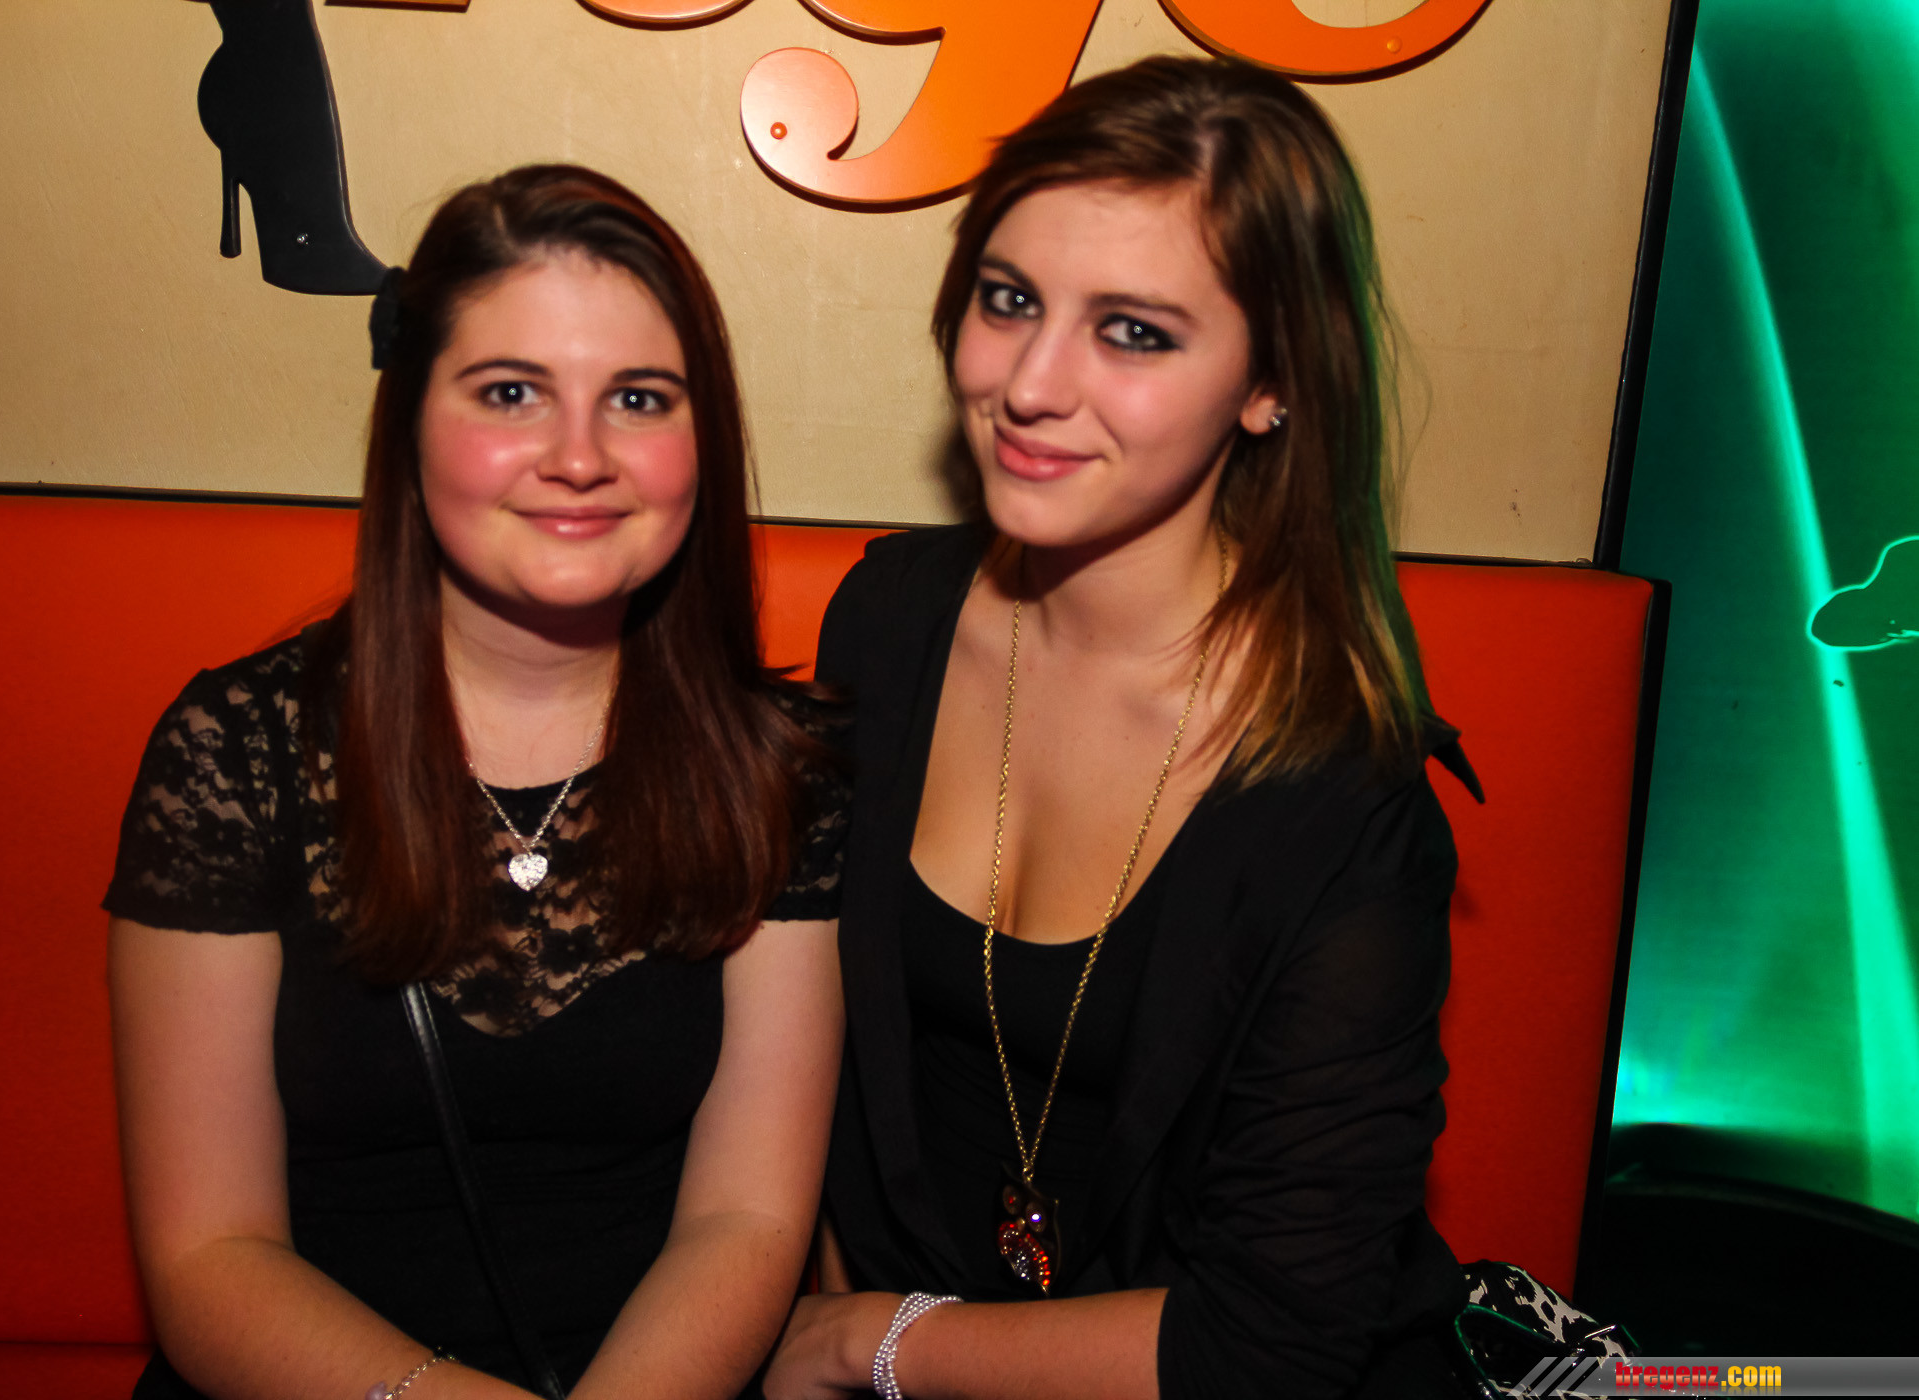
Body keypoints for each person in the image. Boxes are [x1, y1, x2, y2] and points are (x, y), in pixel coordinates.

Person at [767, 56, 1485, 1400]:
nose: (1032, 384)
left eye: (1135, 332)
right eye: (1011, 300)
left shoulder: (1342, 801)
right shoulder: (891, 620)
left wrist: (871, 1342)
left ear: (1271, 383)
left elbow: (1270, 1345)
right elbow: (816, 1063)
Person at [106, 165, 846, 1400]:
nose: (579, 455)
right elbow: (210, 1254)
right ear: (410, 423)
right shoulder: (234, 751)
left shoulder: (779, 766)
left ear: (701, 442)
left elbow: (748, 1220)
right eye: (511, 392)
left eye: (638, 399)